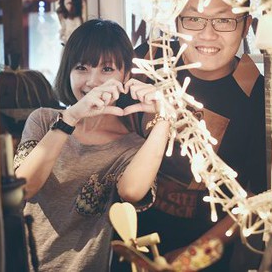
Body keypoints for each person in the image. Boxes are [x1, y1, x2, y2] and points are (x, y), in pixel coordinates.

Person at [14, 19, 172, 271]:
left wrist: (164, 117)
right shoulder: (43, 120)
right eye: (81, 68)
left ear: (126, 76)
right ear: (68, 71)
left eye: (107, 69)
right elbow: (24, 188)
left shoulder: (131, 146)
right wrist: (71, 118)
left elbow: (132, 192)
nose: (93, 81)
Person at [129, 0, 267, 271]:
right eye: (193, 19)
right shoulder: (150, 60)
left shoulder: (256, 94)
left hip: (204, 256)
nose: (207, 34)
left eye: (224, 20)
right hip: (124, 237)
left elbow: (257, 196)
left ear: (246, 26)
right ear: (177, 21)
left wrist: (193, 256)